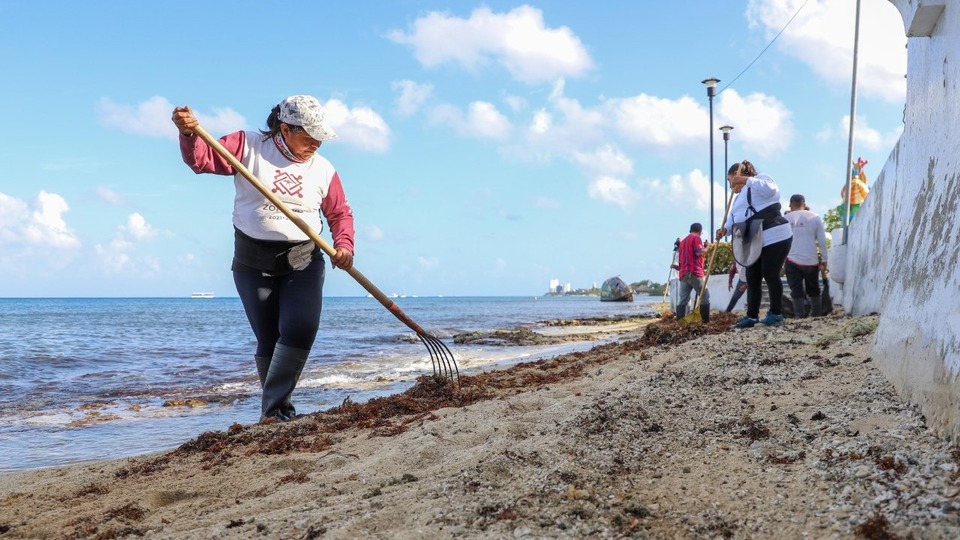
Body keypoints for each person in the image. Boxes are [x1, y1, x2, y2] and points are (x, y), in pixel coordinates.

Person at [171, 95, 355, 422]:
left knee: (300, 328)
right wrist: (189, 135)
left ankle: (273, 409)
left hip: (303, 260)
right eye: (309, 135)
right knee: (269, 339)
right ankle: (276, 413)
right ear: (285, 129)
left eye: (320, 137)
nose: (317, 143)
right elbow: (201, 160)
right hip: (252, 261)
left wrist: (344, 246)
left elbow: (340, 214)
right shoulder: (248, 146)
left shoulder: (324, 170)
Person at [716, 160, 792, 328]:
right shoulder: (737, 199)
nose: (732, 186)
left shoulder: (760, 180)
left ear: (738, 175)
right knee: (752, 276)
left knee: (770, 273)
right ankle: (751, 316)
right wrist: (725, 230)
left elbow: (772, 191)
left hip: (774, 233)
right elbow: (734, 218)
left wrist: (746, 180)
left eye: (731, 181)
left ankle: (776, 313)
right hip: (754, 238)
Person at [784, 194, 829, 318]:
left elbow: (781, 241)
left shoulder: (786, 218)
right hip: (811, 260)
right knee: (814, 289)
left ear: (791, 205)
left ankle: (799, 315)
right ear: (804, 204)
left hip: (792, 260)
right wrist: (825, 259)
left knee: (796, 290)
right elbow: (822, 241)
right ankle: (816, 315)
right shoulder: (815, 217)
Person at [675, 223, 710, 322]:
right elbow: (699, 252)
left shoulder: (682, 242)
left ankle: (680, 323)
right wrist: (707, 247)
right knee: (704, 296)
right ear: (700, 231)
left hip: (683, 274)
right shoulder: (696, 238)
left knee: (683, 300)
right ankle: (705, 322)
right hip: (694, 272)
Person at [838, 157, 869, 222]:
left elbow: (842, 193)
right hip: (852, 207)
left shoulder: (853, 184)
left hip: (849, 208)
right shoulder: (858, 184)